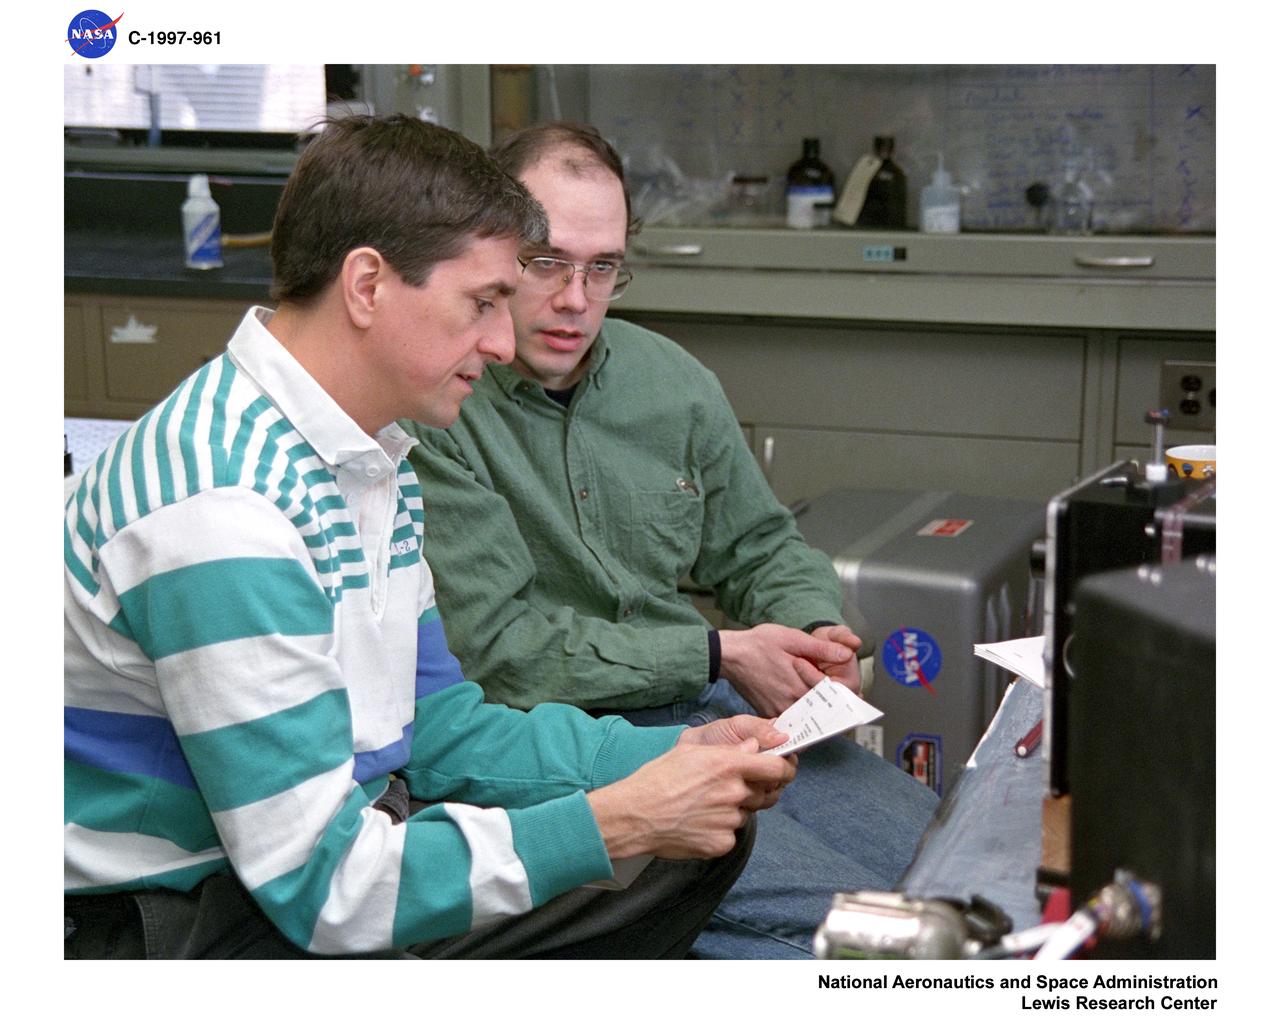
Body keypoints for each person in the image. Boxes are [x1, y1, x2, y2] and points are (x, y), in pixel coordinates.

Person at [63, 115, 798, 960]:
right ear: (368, 285)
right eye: (482, 302)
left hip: (311, 849)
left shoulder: (369, 455)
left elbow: (439, 727)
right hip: (174, 914)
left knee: (691, 843)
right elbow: (325, 889)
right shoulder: (223, 515)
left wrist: (672, 752)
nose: (499, 339)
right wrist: (619, 814)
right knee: (639, 838)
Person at [403, 122, 941, 959]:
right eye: (546, 263)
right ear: (494, 253)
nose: (577, 298)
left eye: (604, 267)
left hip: (710, 704)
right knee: (863, 936)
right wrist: (719, 654)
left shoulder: (673, 383)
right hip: (549, 741)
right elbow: (499, 653)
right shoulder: (440, 403)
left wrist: (810, 631)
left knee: (953, 868)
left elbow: (762, 544)